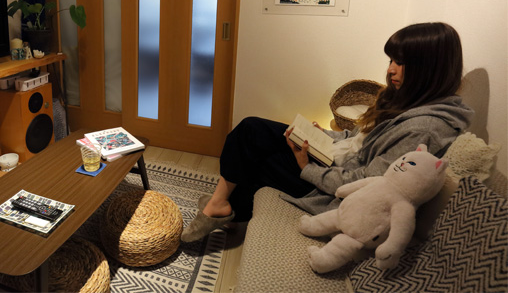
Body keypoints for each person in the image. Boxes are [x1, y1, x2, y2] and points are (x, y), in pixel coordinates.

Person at [181, 22, 474, 243]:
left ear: (429, 69)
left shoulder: (424, 128)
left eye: (401, 63)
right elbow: (356, 139)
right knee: (253, 131)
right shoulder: (408, 100)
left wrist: (307, 168)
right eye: (391, 61)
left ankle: (222, 206)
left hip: (336, 188)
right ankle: (225, 206)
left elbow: (369, 184)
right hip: (335, 160)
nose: (391, 71)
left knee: (257, 149)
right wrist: (321, 134)